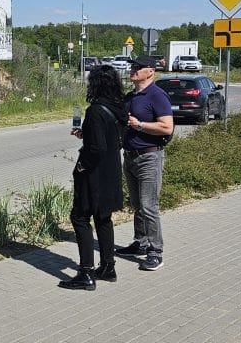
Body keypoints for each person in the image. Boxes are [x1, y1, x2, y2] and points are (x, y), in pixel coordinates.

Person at [59, 65, 128, 290]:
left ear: (96, 84)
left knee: (79, 217)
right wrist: (85, 133)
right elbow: (111, 140)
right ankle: (108, 267)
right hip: (112, 170)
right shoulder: (119, 107)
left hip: (94, 174)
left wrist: (81, 166)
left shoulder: (96, 110)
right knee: (103, 217)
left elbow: (96, 148)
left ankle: (86, 272)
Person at [115, 55, 174, 272]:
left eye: (138, 67)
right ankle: (140, 242)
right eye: (132, 66)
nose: (133, 70)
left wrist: (139, 125)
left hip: (149, 156)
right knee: (137, 205)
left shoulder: (157, 96)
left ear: (150, 71)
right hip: (130, 156)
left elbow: (167, 127)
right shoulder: (130, 96)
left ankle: (156, 252)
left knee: (149, 206)